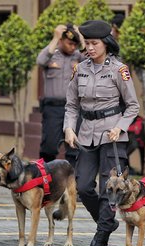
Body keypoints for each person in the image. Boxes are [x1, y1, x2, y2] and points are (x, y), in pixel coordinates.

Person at [64, 20, 139, 246]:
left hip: (112, 136)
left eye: (95, 43)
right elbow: (72, 105)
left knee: (109, 189)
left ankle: (100, 242)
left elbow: (133, 106)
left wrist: (120, 127)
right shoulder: (80, 69)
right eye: (87, 43)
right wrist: (68, 128)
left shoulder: (119, 70)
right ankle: (106, 223)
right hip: (86, 134)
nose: (90, 48)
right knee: (84, 186)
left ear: (106, 44)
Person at [37, 24, 84, 166]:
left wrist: (80, 36)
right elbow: (40, 61)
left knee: (74, 147)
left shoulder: (79, 56)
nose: (73, 47)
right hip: (53, 108)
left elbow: (91, 57)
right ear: (61, 41)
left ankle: (72, 180)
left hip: (75, 108)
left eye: (75, 44)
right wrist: (55, 37)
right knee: (49, 146)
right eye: (69, 43)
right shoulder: (52, 54)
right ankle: (46, 176)